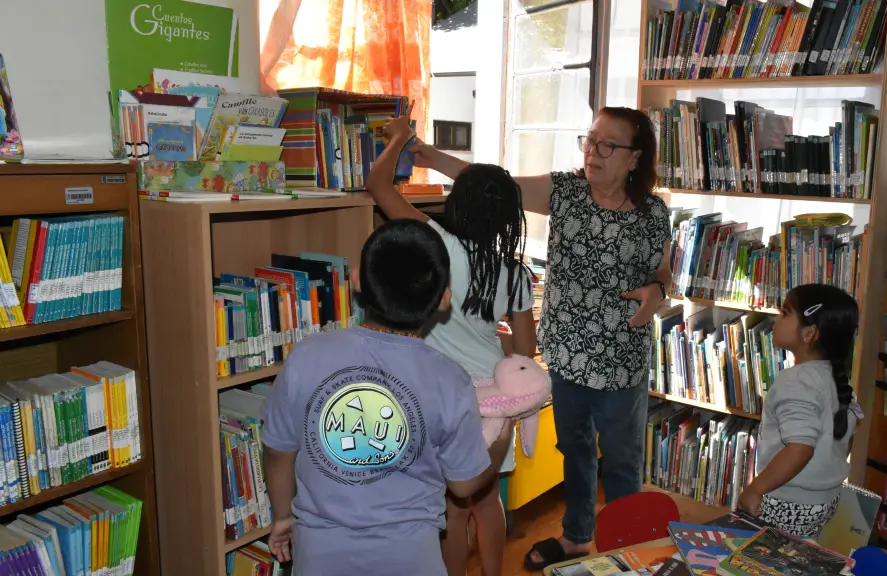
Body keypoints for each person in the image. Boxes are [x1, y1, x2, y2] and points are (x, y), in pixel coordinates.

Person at [407, 106, 672, 570]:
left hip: (621, 361)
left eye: (608, 145)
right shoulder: (566, 191)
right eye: (590, 141)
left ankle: (628, 552)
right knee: (574, 449)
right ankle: (576, 538)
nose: (594, 153)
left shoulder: (653, 214)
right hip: (568, 355)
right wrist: (429, 156)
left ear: (634, 158)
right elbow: (490, 183)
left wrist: (657, 290)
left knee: (622, 462)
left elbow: (664, 275)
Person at [260, 218, 514, 575]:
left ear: (356, 282)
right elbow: (463, 484)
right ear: (444, 299)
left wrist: (284, 515)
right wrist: (502, 438)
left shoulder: (306, 356)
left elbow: (276, 450)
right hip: (412, 558)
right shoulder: (449, 379)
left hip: (320, 556)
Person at [365, 116, 537, 576]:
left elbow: (378, 185)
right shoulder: (515, 274)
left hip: (444, 394)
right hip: (494, 399)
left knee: (453, 507)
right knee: (486, 502)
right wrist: (490, 334)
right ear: (508, 218)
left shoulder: (439, 244)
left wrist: (401, 135)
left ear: (457, 206)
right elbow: (523, 349)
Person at [737, 283, 862, 539]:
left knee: (760, 558)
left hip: (787, 501)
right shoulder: (837, 380)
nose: (775, 318)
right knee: (799, 554)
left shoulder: (795, 382)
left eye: (784, 312)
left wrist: (755, 489)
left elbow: (800, 448)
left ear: (809, 334)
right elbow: (846, 437)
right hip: (826, 500)